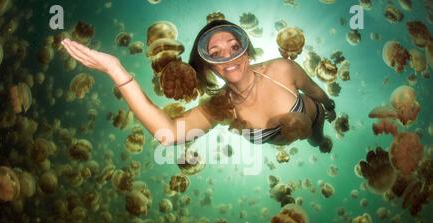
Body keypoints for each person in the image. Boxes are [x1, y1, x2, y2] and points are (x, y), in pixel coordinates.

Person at [61, 19, 336, 151]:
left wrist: (329, 105)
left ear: (247, 52)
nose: (227, 56)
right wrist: (116, 71)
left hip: (315, 117)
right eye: (214, 53)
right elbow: (168, 134)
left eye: (234, 47)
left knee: (316, 140)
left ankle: (321, 140)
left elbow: (314, 90)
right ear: (207, 65)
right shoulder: (222, 107)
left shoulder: (281, 68)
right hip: (279, 143)